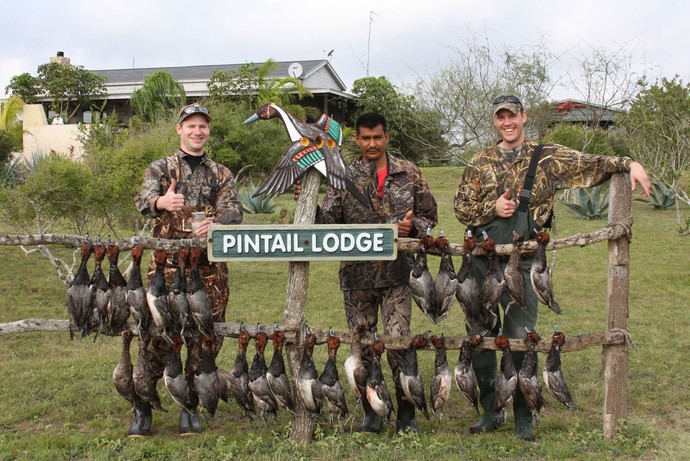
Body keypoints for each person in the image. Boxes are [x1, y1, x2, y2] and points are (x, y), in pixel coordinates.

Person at [454, 94, 651, 440]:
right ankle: (490, 410)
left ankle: (523, 414)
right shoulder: (479, 161)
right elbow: (460, 209)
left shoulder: (547, 157)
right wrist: (491, 208)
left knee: (519, 337)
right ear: (495, 122)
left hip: (524, 260)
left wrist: (628, 163)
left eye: (512, 116)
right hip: (482, 262)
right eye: (500, 117)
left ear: (524, 117)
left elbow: (592, 165)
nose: (507, 123)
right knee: (480, 335)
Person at [297, 112, 438, 433]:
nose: (372, 144)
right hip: (356, 276)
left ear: (386, 137)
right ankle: (370, 411)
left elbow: (430, 216)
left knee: (398, 345)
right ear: (357, 139)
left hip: (398, 275)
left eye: (377, 137)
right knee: (361, 347)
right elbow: (328, 222)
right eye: (365, 138)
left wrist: (413, 225)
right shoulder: (342, 174)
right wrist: (310, 206)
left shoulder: (409, 172)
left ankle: (406, 414)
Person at [133, 103, 243, 436]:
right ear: (179, 129)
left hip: (209, 273)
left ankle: (189, 405)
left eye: (203, 126)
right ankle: (142, 406)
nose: (198, 131)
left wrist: (216, 222)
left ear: (208, 131)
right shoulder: (161, 168)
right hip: (165, 272)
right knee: (157, 338)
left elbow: (235, 211)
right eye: (191, 125)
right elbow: (142, 201)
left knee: (204, 339)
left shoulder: (221, 173)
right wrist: (160, 203)